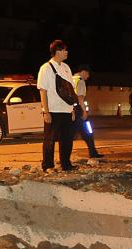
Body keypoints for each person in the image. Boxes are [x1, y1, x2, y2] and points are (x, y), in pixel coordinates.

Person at [37, 39, 77, 172]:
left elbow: (71, 90)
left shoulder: (66, 68)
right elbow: (43, 90)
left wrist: (72, 109)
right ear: (57, 51)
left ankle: (66, 164)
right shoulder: (46, 68)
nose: (67, 52)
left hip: (66, 109)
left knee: (67, 139)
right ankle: (47, 165)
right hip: (53, 110)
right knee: (50, 139)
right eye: (64, 50)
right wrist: (45, 111)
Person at [72, 65, 103, 159]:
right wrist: (84, 111)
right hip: (79, 110)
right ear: (83, 72)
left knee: (71, 134)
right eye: (88, 74)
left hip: (71, 109)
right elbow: (80, 98)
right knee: (88, 132)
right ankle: (93, 153)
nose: (88, 76)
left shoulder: (71, 79)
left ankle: (65, 157)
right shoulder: (80, 81)